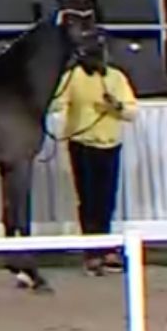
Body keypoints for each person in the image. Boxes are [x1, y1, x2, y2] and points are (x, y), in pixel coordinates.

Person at [51, 29, 140, 276]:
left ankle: (105, 249)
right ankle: (92, 252)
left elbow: (132, 112)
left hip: (110, 144)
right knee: (88, 200)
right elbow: (56, 103)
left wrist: (117, 106)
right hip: (82, 143)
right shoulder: (73, 77)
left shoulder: (117, 78)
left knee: (106, 200)